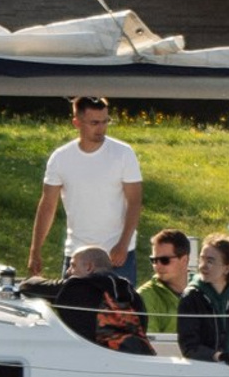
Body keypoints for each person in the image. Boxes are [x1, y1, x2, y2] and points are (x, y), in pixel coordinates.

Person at [30, 96, 144, 281]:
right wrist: (35, 250)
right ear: (77, 122)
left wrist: (123, 244)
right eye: (94, 122)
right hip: (76, 254)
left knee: (118, 309)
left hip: (117, 255)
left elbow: (135, 201)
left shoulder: (123, 153)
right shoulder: (61, 158)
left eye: (105, 121)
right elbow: (47, 205)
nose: (101, 128)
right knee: (73, 308)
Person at [21, 245, 155, 355]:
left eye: (73, 265)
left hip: (96, 360)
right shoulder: (132, 293)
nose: (68, 272)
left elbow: (30, 286)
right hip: (138, 357)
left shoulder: (80, 287)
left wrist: (26, 280)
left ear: (89, 267)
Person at [175, 234, 229, 375]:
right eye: (202, 259)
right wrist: (222, 357)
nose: (203, 266)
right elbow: (189, 347)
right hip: (203, 373)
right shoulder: (191, 297)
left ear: (227, 268)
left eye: (210, 261)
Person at [144, 228, 195, 332]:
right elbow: (150, 343)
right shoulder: (145, 296)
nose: (157, 266)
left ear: (184, 260)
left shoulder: (205, 290)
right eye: (153, 260)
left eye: (164, 260)